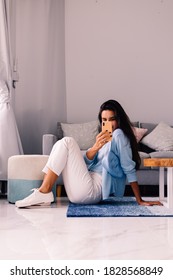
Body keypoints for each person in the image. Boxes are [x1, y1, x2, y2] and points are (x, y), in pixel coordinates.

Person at [15, 100, 162, 208]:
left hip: (91, 190)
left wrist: (139, 200)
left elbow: (128, 168)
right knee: (63, 144)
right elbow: (87, 163)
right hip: (81, 188)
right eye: (104, 120)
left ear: (119, 120)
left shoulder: (119, 136)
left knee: (67, 142)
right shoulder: (103, 139)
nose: (108, 124)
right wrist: (95, 147)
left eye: (112, 119)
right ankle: (44, 191)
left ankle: (44, 191)